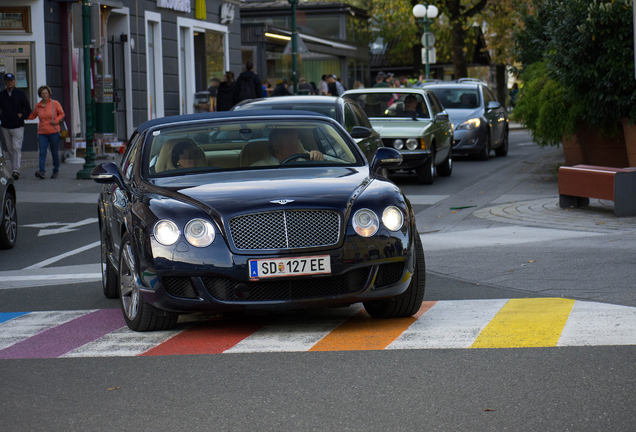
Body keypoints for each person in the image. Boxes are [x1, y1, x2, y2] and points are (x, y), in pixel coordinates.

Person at [27, 85, 64, 179]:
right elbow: (33, 115)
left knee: (54, 152)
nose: (44, 95)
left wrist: (56, 121)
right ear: (40, 95)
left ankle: (56, 170)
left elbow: (62, 114)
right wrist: (22, 116)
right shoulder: (38, 106)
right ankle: (41, 171)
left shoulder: (54, 103)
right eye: (42, 93)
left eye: (46, 93)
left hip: (54, 131)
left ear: (49, 94)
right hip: (42, 132)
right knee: (42, 152)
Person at [0, 73, 32, 180]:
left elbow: (28, 108)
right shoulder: (2, 95)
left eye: (11, 80)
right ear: (5, 82)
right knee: (9, 149)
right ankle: (14, 168)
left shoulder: (20, 94)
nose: (9, 82)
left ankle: (16, 170)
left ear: (14, 81)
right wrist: (2, 118)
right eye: (7, 81)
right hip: (5, 126)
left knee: (16, 148)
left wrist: (22, 117)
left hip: (17, 126)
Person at [252, 129, 324, 166]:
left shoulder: (304, 163)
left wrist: (316, 157)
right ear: (275, 145)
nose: (295, 145)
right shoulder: (258, 166)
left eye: (296, 141)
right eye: (289, 141)